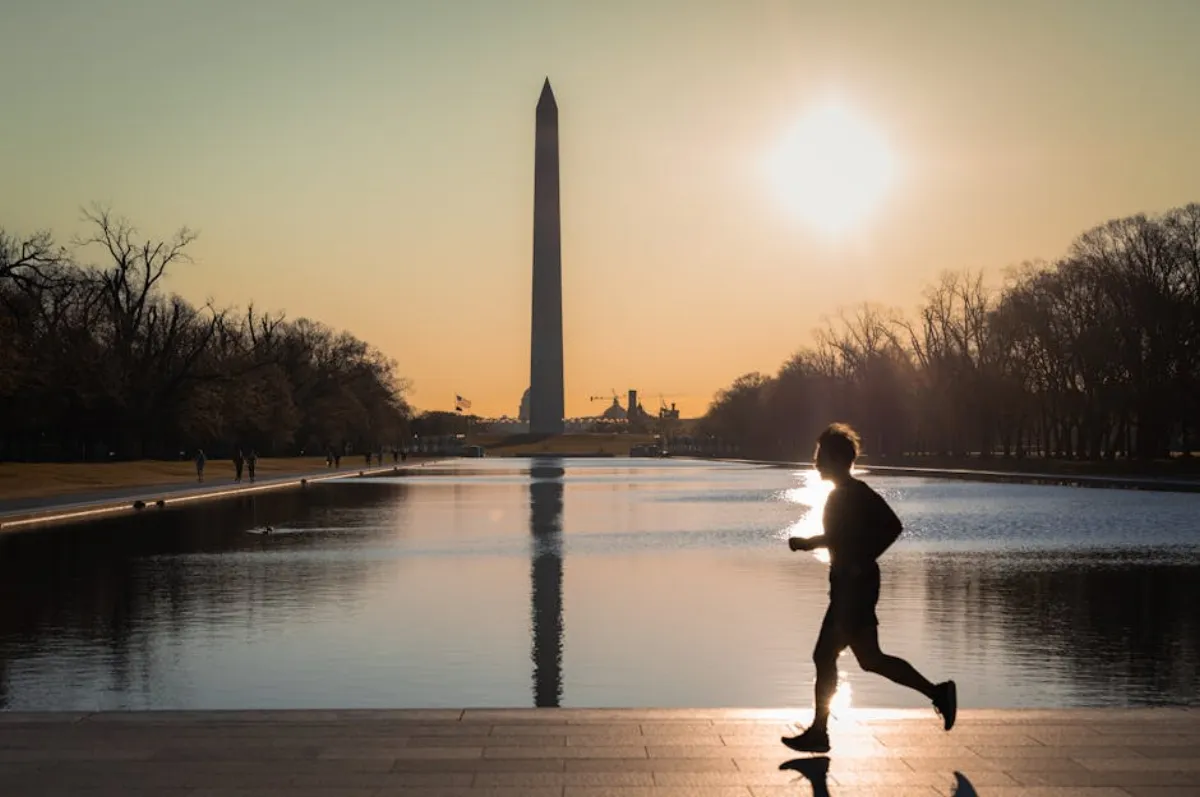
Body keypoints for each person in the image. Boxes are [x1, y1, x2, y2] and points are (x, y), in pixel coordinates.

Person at [783, 423, 956, 754]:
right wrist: (810, 543)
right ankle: (938, 693)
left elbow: (892, 527)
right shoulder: (844, 494)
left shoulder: (854, 493)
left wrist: (863, 559)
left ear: (835, 459)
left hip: (855, 587)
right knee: (870, 659)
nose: (816, 463)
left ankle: (820, 732)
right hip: (850, 584)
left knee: (824, 655)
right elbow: (843, 537)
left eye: (820, 457)